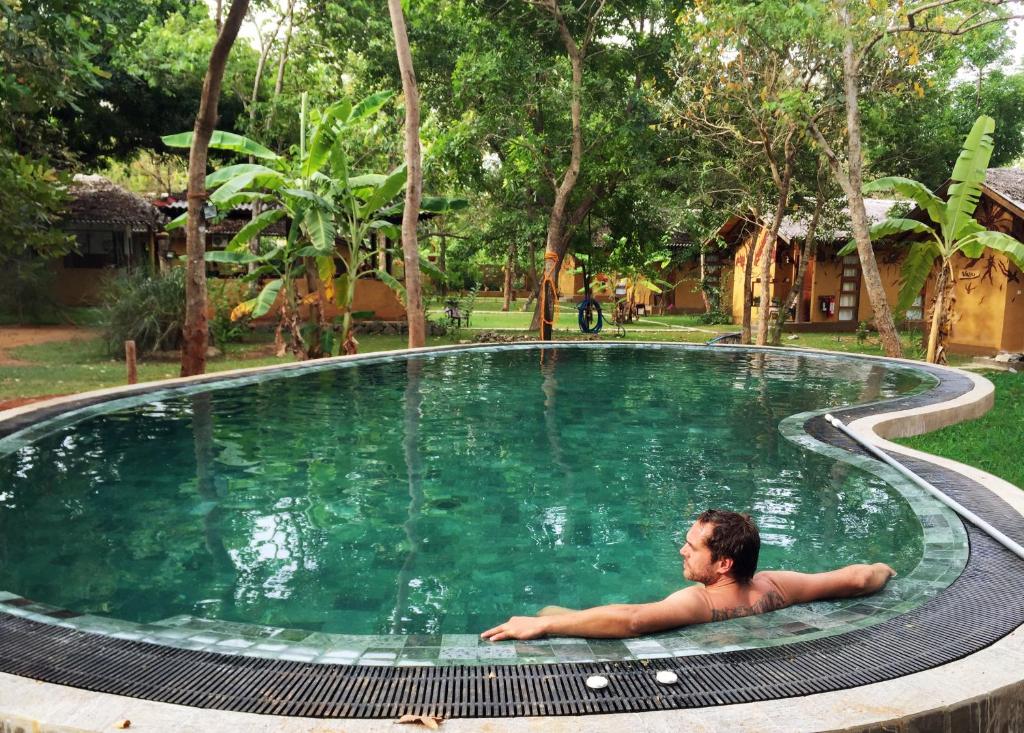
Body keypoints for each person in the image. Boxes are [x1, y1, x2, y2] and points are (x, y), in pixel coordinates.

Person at [480, 509, 896, 641]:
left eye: (692, 547)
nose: (681, 549)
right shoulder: (776, 586)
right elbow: (859, 579)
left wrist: (545, 624)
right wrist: (886, 569)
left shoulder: (699, 602)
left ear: (722, 565)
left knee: (548, 608)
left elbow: (633, 619)